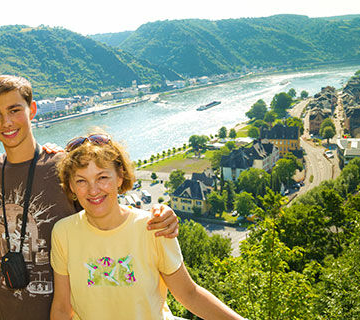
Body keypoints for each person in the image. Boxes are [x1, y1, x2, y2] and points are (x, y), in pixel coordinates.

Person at [0, 75, 179, 320]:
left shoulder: (60, 163)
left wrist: (161, 214)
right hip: (13, 305)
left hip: (68, 308)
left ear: (32, 110)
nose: (6, 122)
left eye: (14, 110)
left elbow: (107, 207)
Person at [50, 132, 246, 320]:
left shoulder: (153, 227)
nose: (93, 190)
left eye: (102, 177)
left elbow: (189, 293)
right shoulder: (63, 233)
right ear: (72, 187)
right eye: (82, 181)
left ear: (119, 177)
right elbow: (61, 308)